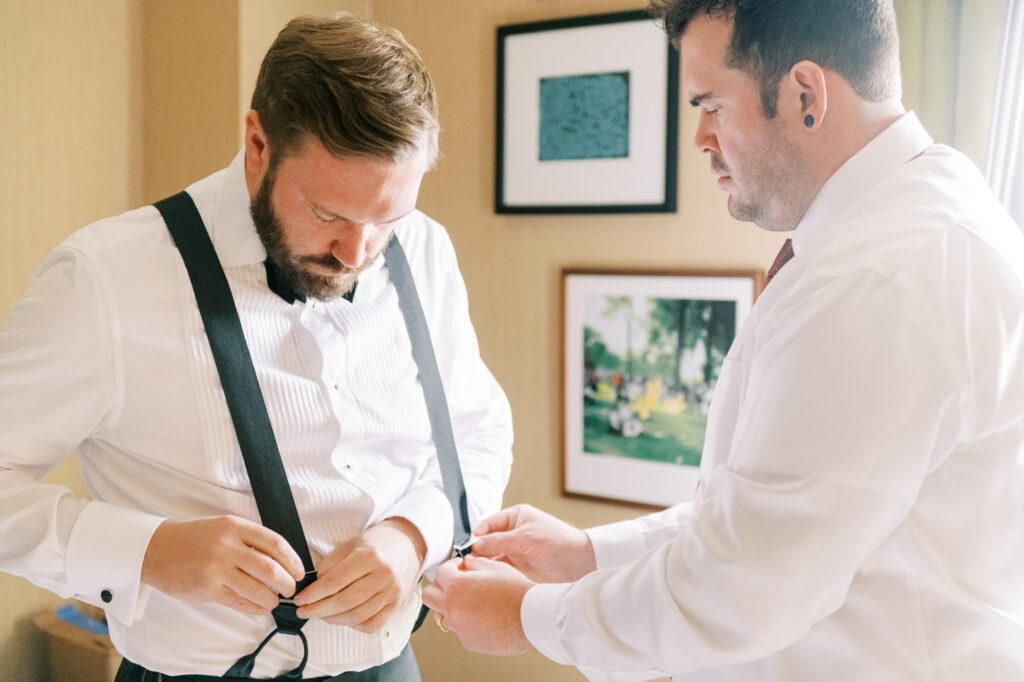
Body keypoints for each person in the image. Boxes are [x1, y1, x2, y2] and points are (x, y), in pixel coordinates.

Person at [422, 1, 1024, 680]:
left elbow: (742, 589)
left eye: (710, 105)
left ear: (805, 96)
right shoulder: (911, 218)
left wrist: (527, 617)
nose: (700, 137)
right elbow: (770, 515)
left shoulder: (878, 282)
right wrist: (584, 553)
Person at [0, 12, 513, 681]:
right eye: (329, 214)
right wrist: (148, 551)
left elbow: (479, 427)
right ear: (257, 143)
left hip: (392, 667)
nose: (357, 253)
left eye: (387, 217)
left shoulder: (426, 250)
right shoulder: (104, 281)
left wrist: (415, 533)